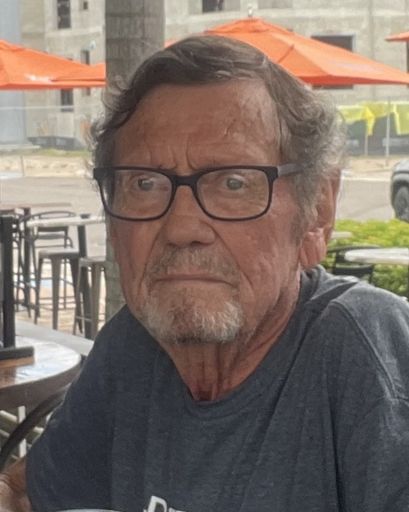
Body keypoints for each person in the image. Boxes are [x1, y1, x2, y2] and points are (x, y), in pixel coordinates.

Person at [1, 35, 409, 512]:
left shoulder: (367, 352)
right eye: (144, 183)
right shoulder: (133, 346)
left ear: (317, 211)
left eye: (234, 182)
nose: (182, 228)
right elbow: (25, 494)